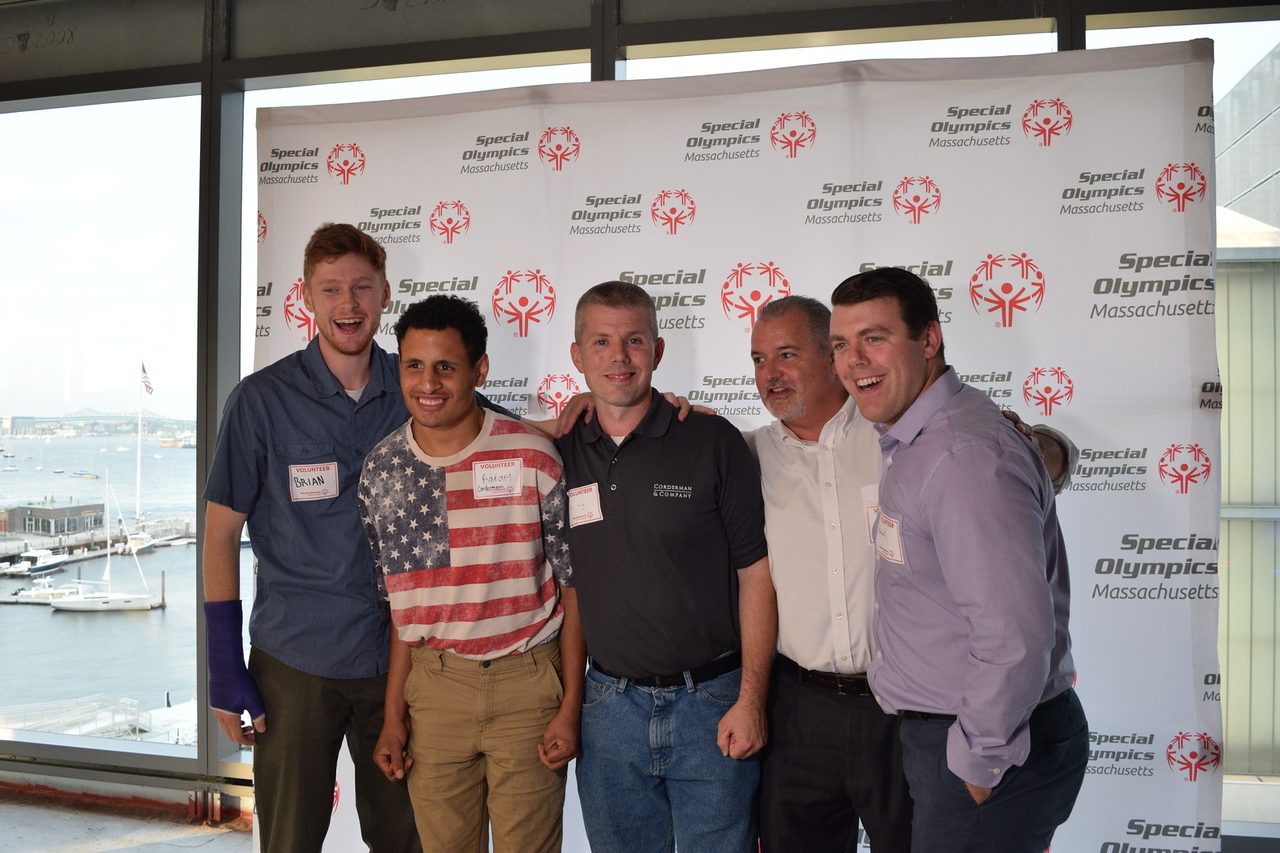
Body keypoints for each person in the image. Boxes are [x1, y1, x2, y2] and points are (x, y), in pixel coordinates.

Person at [747, 295, 1076, 853]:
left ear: (829, 360)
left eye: (786, 354)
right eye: (757, 360)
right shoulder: (743, 455)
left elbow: (1025, 457)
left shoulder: (899, 432)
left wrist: (1039, 446)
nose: (769, 374)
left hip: (895, 711)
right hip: (798, 708)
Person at [203, 223, 471, 851]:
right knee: (290, 840)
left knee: (407, 838)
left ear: (384, 294)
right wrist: (222, 666)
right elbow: (219, 537)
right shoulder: (261, 401)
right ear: (306, 297)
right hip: (296, 663)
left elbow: (504, 432)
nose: (347, 304)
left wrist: (602, 411)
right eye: (331, 290)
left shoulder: (417, 387)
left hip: (401, 658)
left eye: (360, 288)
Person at [358, 295, 583, 852]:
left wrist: (570, 707)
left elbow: (574, 591)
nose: (428, 383)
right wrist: (393, 718)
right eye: (413, 365)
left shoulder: (534, 455)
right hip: (433, 694)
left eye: (446, 367)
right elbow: (401, 610)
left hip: (529, 686)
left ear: (479, 370)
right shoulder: (382, 470)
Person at [557, 280, 774, 853]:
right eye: (600, 343)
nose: (619, 357)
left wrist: (751, 699)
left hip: (714, 704)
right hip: (609, 710)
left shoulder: (710, 439)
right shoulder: (561, 446)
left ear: (658, 351)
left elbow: (757, 573)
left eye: (634, 340)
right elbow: (466, 423)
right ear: (577, 357)